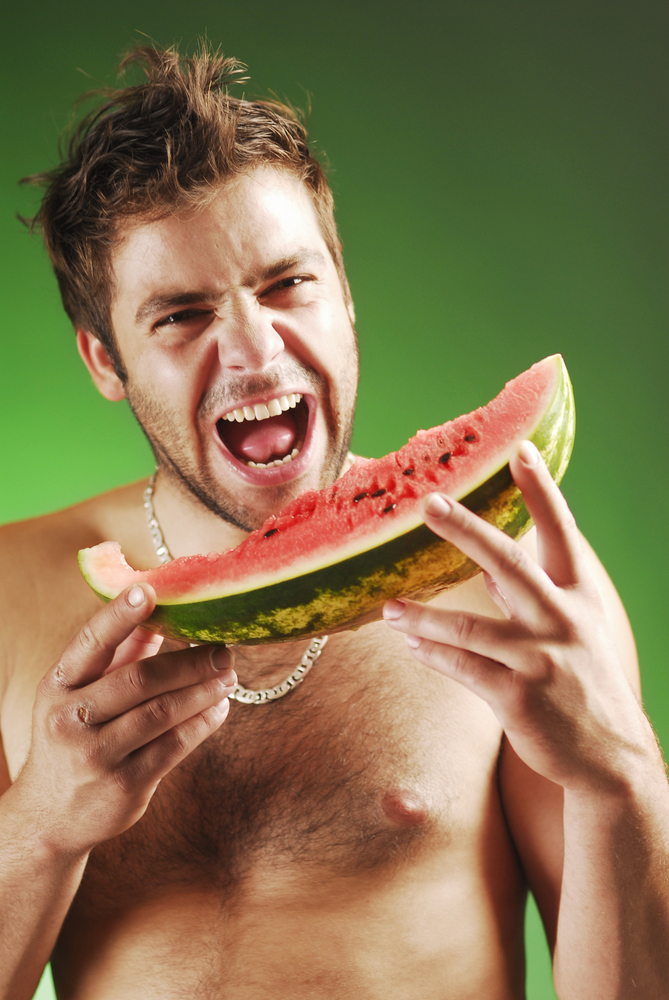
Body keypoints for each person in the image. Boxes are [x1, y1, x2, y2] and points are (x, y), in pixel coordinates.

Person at [1, 43, 668, 1000]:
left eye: (286, 284)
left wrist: (622, 777)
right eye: (182, 315)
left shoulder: (509, 576)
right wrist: (39, 826)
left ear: (345, 294)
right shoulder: (4, 595)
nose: (254, 350)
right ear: (104, 360)